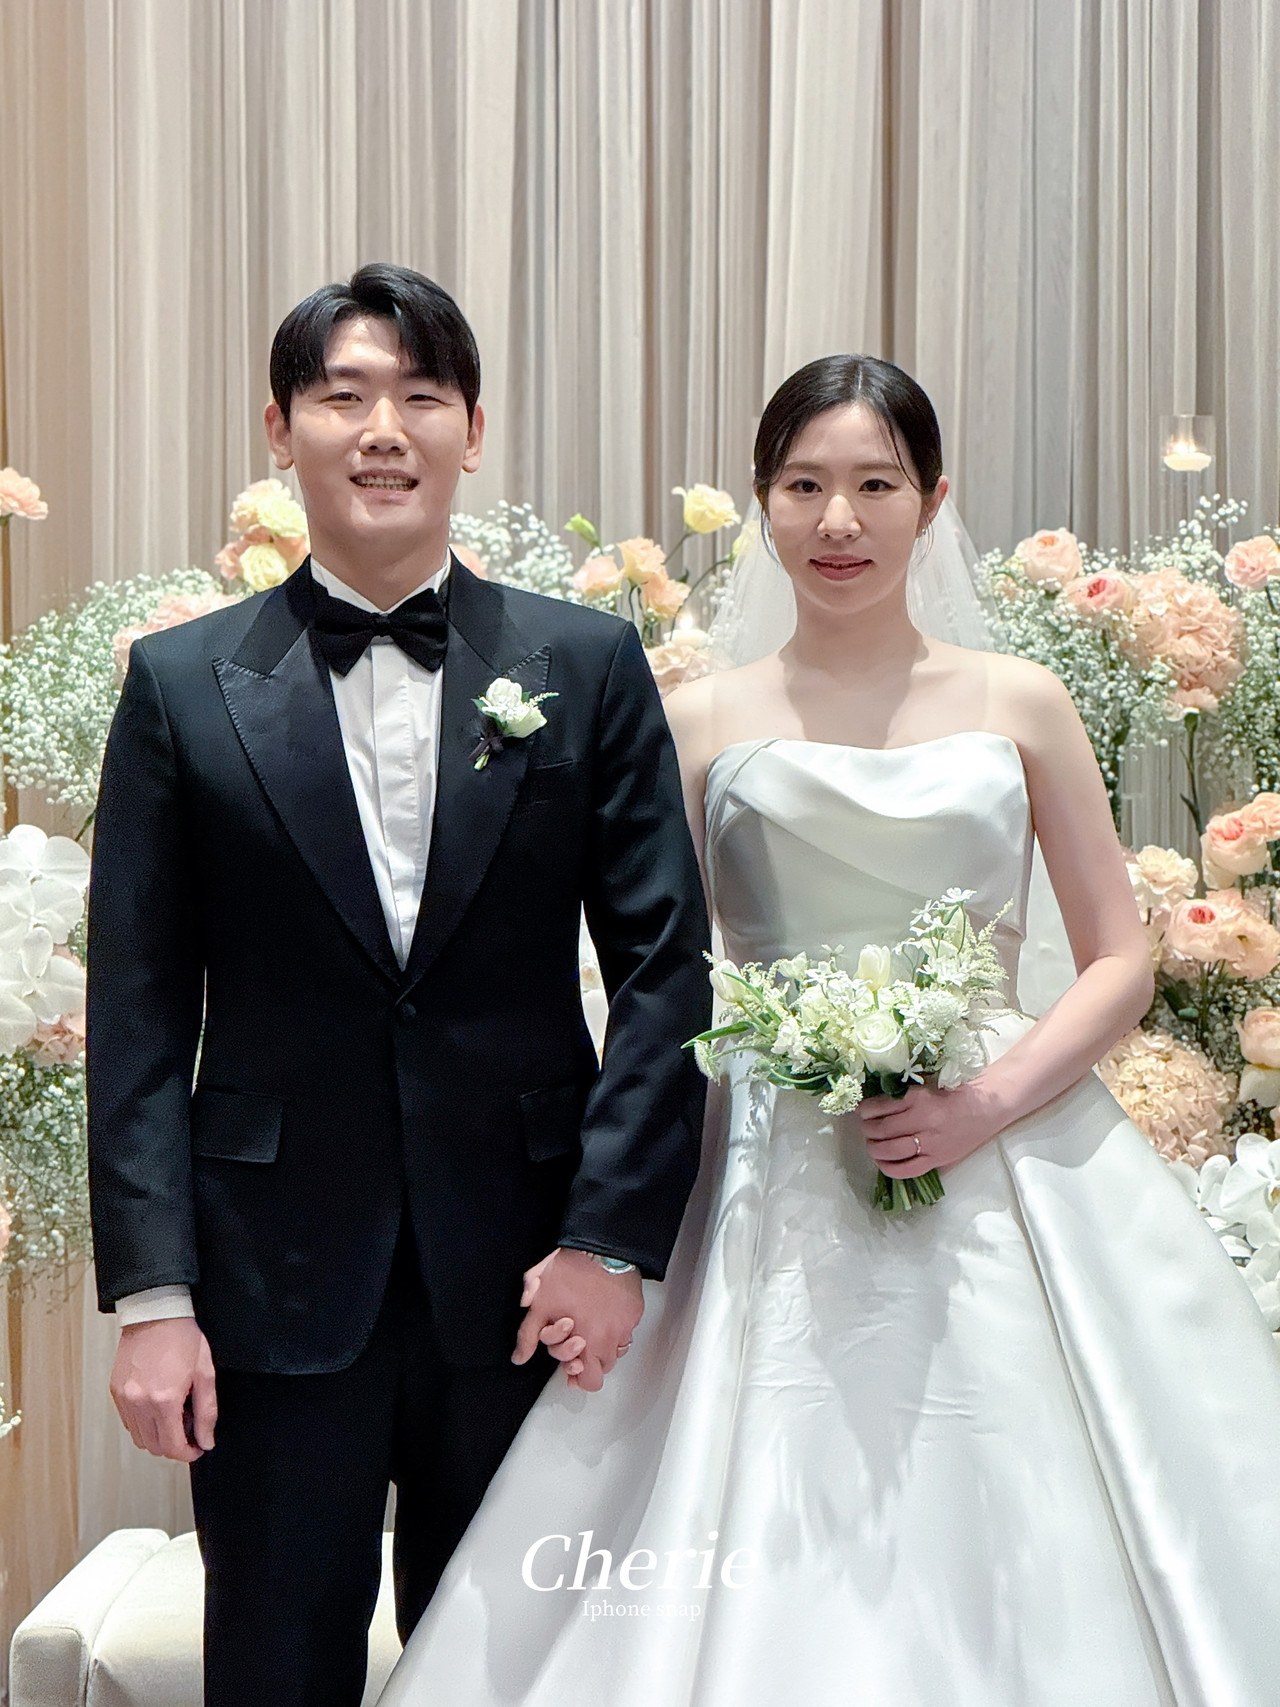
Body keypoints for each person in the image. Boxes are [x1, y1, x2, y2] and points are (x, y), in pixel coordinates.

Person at [382, 354, 1280, 1706]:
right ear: (763, 502)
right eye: (804, 487)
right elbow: (652, 971)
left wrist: (986, 1103)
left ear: (933, 500)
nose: (839, 521)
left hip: (999, 1135)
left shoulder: (1021, 702)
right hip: (760, 1148)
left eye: (875, 485)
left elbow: (1118, 958)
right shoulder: (697, 718)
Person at [85, 262, 710, 1707]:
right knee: (275, 1662)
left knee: (514, 1669)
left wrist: (609, 1240)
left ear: (472, 432)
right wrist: (153, 1297)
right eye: (343, 395)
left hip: (529, 1275)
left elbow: (664, 973)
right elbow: (136, 1011)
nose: (383, 429)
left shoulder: (585, 663)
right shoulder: (182, 685)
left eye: (421, 396)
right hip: (268, 1278)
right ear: (279, 428)